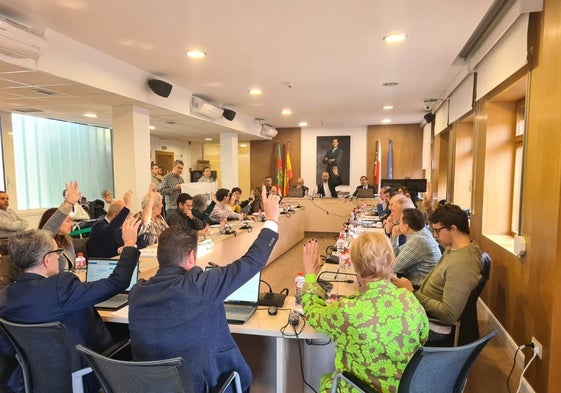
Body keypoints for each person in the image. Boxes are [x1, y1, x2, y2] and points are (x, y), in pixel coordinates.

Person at [128, 186, 280, 393]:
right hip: (203, 385)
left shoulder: (137, 293)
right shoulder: (200, 285)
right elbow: (252, 261)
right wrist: (272, 219)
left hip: (153, 386)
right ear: (192, 256)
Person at [0, 216, 140, 393]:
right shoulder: (60, 286)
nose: (59, 256)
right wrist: (129, 245)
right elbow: (117, 282)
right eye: (57, 252)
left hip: (37, 376)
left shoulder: (4, 296)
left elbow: (7, 347)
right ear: (46, 260)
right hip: (85, 370)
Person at [302, 232, 428, 393]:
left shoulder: (347, 310)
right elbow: (423, 337)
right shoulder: (409, 298)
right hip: (405, 387)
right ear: (391, 261)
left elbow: (312, 313)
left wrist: (310, 276)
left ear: (356, 268)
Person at [392, 204, 482, 344]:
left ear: (453, 228)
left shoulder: (462, 264)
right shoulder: (457, 246)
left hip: (432, 326)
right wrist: (428, 208)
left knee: (377, 325)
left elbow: (449, 314)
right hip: (422, 310)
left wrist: (412, 292)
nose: (434, 235)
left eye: (437, 231)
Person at [38, 181, 82, 272]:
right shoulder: (42, 243)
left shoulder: (67, 242)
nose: (72, 224)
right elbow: (48, 229)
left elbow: (73, 268)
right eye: (67, 221)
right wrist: (68, 203)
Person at [391, 208, 441, 288]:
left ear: (406, 226)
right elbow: (396, 256)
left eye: (400, 222)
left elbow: (393, 268)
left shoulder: (418, 240)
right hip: (419, 284)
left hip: (419, 288)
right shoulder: (421, 233)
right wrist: (395, 237)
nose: (398, 224)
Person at [87, 190, 133, 258]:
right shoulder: (98, 226)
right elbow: (111, 230)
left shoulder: (120, 228)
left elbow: (141, 242)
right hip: (101, 265)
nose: (129, 218)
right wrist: (127, 206)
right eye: (127, 215)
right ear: (115, 215)